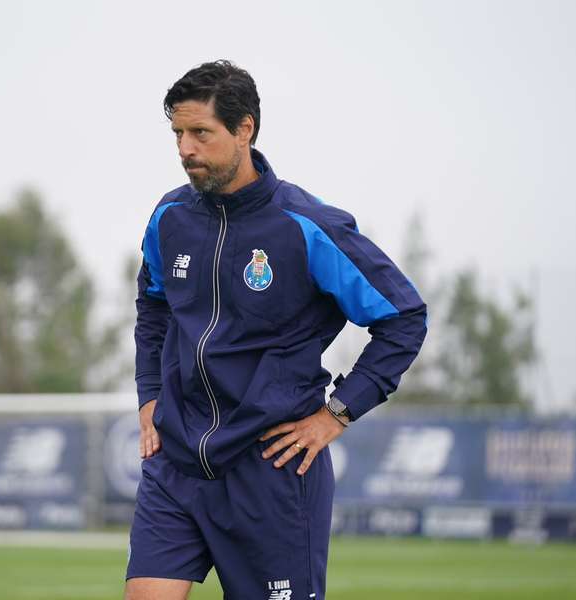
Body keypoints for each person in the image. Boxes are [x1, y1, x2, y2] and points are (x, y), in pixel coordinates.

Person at [125, 60, 427, 600]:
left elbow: (403, 317)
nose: (185, 149)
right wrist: (150, 395)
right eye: (178, 134)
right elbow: (153, 309)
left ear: (245, 129)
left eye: (201, 133)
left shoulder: (307, 226)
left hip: (271, 470)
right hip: (177, 467)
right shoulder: (168, 217)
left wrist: (336, 413)